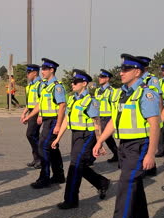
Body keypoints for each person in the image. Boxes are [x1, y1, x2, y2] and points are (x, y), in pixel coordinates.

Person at [93, 54, 160, 218]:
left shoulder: (146, 94)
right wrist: (100, 140)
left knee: (125, 184)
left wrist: (151, 154)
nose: (120, 73)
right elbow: (115, 120)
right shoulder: (122, 93)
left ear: (137, 72)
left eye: (125, 70)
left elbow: (154, 125)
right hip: (125, 146)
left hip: (140, 145)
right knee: (134, 185)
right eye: (121, 69)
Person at [51, 69, 110, 209]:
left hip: (87, 136)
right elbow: (66, 119)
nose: (73, 84)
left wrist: (100, 142)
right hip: (76, 135)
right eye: (72, 82)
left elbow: (97, 123)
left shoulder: (91, 101)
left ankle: (71, 199)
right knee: (79, 165)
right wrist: (58, 138)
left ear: (84, 83)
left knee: (75, 165)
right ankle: (102, 182)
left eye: (76, 82)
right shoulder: (72, 99)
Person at [23, 58, 66, 189]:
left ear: (52, 70)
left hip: (53, 120)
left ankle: (44, 178)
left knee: (43, 147)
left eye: (45, 69)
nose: (42, 72)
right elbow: (40, 104)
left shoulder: (57, 87)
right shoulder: (45, 86)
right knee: (53, 148)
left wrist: (58, 125)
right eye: (42, 69)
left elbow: (62, 106)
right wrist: (29, 115)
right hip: (47, 120)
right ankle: (59, 175)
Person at [20, 64, 43, 169]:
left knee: (30, 134)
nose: (27, 74)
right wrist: (24, 112)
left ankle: (40, 158)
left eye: (29, 72)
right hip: (31, 111)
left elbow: (42, 102)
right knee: (34, 135)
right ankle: (36, 158)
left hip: (37, 112)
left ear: (35, 73)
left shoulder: (40, 85)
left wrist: (40, 115)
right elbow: (30, 102)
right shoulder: (30, 86)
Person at [94, 69, 119, 163]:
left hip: (107, 117)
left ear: (107, 79)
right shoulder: (97, 91)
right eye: (99, 77)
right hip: (98, 117)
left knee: (105, 137)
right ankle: (116, 154)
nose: (100, 78)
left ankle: (117, 154)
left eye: (102, 77)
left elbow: (114, 106)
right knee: (98, 136)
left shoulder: (112, 91)